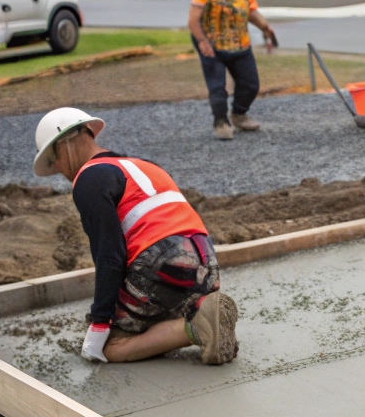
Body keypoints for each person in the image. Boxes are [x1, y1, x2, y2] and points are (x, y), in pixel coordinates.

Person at [33, 106, 239, 365]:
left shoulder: (88, 178)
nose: (59, 169)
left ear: (63, 145)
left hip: (161, 259)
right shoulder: (143, 165)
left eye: (53, 160)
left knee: (113, 347)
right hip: (205, 259)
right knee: (152, 318)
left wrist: (100, 321)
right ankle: (203, 314)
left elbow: (109, 254)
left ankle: (195, 328)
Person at [188, 0, 279, 141]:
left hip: (239, 44)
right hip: (212, 44)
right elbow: (193, 20)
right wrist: (202, 41)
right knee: (217, 88)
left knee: (250, 84)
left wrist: (266, 28)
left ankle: (239, 114)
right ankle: (221, 122)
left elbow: (251, 12)